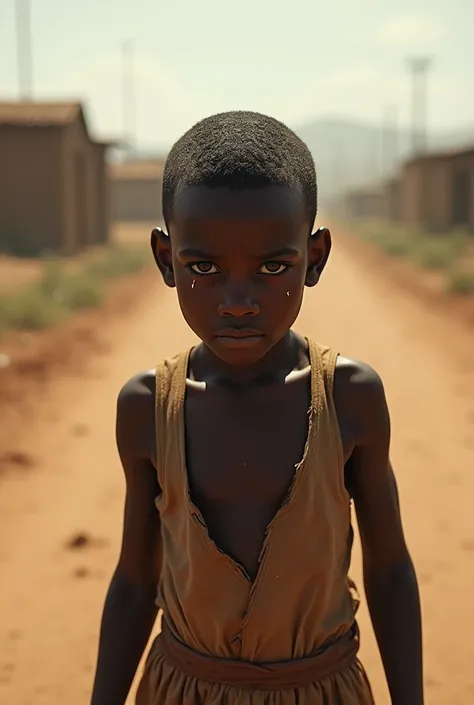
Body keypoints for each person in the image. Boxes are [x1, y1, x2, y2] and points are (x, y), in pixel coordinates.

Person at [90, 111, 423, 705]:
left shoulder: (350, 397)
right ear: (166, 260)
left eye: (273, 268)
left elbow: (391, 570)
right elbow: (135, 582)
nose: (238, 302)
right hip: (181, 691)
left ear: (314, 258)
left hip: (321, 691)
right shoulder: (147, 408)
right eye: (204, 269)